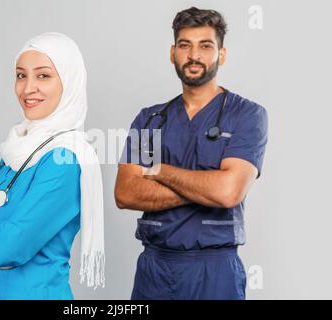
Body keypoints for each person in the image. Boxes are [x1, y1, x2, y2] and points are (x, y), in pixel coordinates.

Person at [115, 7, 268, 300]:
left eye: (205, 46)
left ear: (221, 55)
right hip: (154, 270)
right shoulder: (149, 119)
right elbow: (125, 192)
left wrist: (159, 171)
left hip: (215, 271)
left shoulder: (247, 115)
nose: (194, 55)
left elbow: (228, 192)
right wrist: (207, 185)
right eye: (185, 45)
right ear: (173, 53)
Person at [0, 32, 105, 300]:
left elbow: (8, 249)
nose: (28, 89)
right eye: (21, 75)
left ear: (69, 82)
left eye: (43, 76)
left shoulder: (65, 159)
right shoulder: (18, 148)